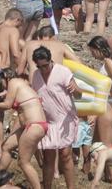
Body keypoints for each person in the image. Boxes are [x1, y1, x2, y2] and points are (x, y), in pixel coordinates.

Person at [31, 45, 80, 189]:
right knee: (48, 158)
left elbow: (79, 94)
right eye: (40, 67)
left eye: (46, 65)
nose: (44, 69)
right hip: (48, 121)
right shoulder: (36, 75)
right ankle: (47, 186)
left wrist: (75, 89)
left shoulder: (63, 71)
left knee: (65, 155)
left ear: (50, 60)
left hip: (66, 118)